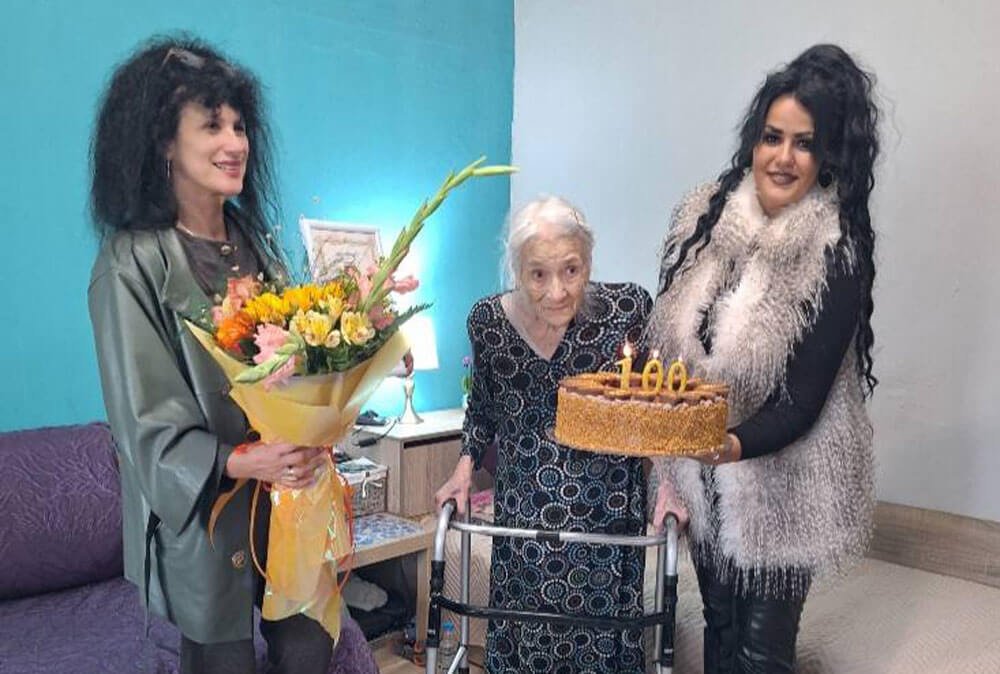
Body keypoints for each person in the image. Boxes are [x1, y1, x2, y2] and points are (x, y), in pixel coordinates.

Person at [88, 37, 335, 673]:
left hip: (286, 504)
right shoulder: (131, 264)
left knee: (311, 646)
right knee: (220, 659)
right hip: (204, 519)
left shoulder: (259, 245)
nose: (235, 143)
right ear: (164, 143)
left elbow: (299, 361)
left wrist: (334, 396)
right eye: (212, 125)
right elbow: (143, 422)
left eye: (240, 125)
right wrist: (239, 460)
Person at [646, 44, 880, 673]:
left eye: (804, 144)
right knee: (719, 625)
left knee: (761, 654)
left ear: (827, 155)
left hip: (785, 480)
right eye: (772, 137)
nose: (782, 157)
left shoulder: (834, 251)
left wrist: (729, 445)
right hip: (703, 472)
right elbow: (668, 349)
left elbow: (801, 403)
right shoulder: (700, 221)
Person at [435, 196, 659, 674]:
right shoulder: (489, 324)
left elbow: (651, 408)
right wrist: (463, 469)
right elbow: (483, 408)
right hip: (524, 520)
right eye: (538, 274)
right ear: (517, 269)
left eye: (571, 270)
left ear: (589, 262)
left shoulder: (627, 310)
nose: (557, 291)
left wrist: (670, 487)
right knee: (527, 641)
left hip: (607, 519)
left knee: (601, 651)